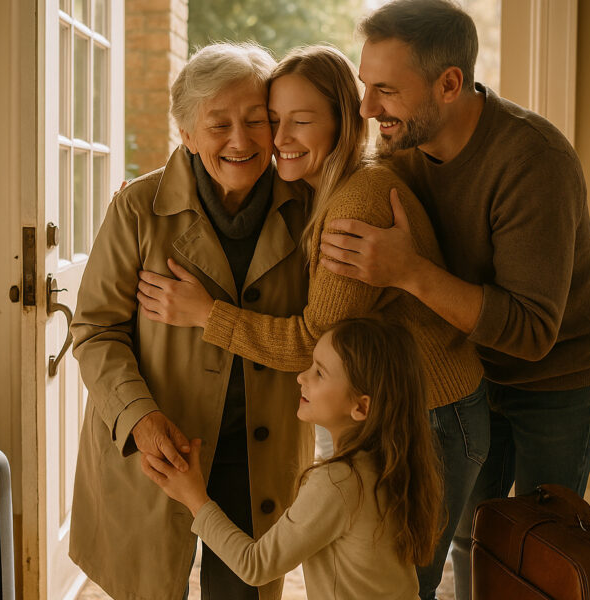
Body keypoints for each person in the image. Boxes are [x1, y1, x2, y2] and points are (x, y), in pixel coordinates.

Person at [135, 44, 483, 598]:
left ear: (343, 121)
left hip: (433, 412)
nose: (278, 138)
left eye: (301, 121)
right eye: (273, 121)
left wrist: (206, 314)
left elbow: (308, 341)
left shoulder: (354, 204)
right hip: (403, 403)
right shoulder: (325, 188)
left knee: (400, 584)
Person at [318, 2, 590, 598]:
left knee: (543, 550)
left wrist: (409, 271)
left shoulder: (535, 161)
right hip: (467, 371)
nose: (367, 108)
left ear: (450, 83)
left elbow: (534, 332)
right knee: (466, 531)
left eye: (385, 90)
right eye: (364, 86)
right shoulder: (402, 145)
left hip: (559, 374)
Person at [69, 43, 315, 600]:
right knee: (153, 584)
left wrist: (211, 314)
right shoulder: (137, 207)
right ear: (185, 132)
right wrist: (139, 417)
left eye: (257, 120)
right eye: (219, 123)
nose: (240, 139)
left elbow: (315, 340)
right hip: (157, 445)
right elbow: (94, 330)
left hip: (261, 455)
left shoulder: (310, 209)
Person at [141, 318, 443, 600]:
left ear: (361, 408)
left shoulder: (339, 481)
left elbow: (255, 565)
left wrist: (195, 498)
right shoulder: (390, 464)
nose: (301, 377)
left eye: (319, 373)